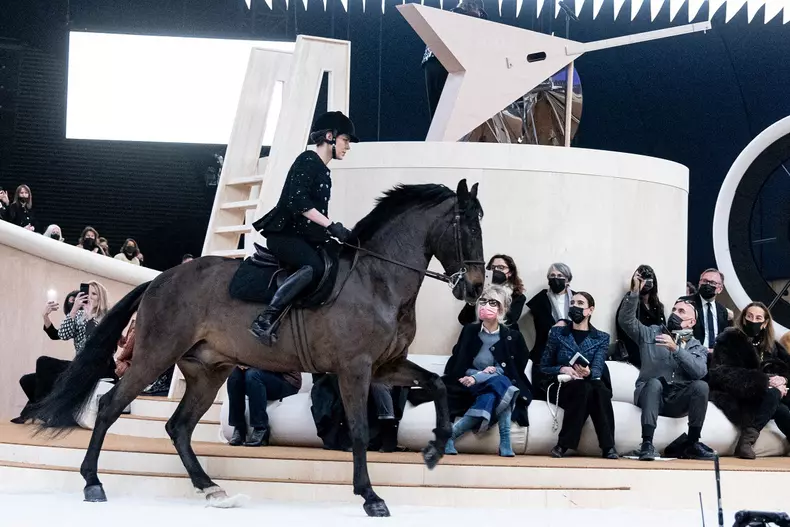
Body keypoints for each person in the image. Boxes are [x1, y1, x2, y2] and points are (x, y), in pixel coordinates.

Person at [250, 111, 358, 346]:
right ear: (330, 136)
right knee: (313, 266)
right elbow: (298, 202)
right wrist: (331, 225)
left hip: (306, 237)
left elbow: (313, 217)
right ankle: (266, 318)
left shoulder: (324, 171)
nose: (348, 147)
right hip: (284, 236)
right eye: (345, 140)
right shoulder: (308, 160)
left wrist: (338, 234)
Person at [618, 271, 714, 461]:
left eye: (681, 312)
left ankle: (692, 443)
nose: (674, 314)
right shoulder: (651, 333)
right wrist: (635, 293)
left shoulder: (696, 347)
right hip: (649, 394)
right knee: (654, 383)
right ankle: (646, 443)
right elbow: (625, 321)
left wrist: (676, 349)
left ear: (692, 322)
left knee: (701, 386)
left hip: (677, 400)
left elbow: (699, 371)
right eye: (674, 310)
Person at [443, 285, 532, 457]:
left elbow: (514, 369)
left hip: (492, 381)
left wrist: (481, 377)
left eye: (493, 302)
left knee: (498, 388)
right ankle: (505, 441)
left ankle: (449, 436)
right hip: (467, 381)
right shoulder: (470, 331)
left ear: (503, 309)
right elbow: (460, 365)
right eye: (483, 301)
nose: (486, 306)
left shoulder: (513, 336)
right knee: (504, 387)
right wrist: (475, 376)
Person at [541, 292, 617, 459]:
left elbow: (597, 367)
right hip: (561, 385)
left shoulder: (602, 338)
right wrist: (562, 369)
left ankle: (608, 446)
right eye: (573, 302)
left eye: (580, 303)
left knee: (599, 390)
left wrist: (589, 372)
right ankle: (566, 444)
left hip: (587, 384)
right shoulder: (557, 334)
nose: (575, 306)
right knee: (586, 388)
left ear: (590, 310)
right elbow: (544, 367)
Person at [709, 304, 790, 459]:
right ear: (744, 319)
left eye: (758, 318)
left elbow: (787, 367)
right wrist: (765, 381)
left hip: (768, 395)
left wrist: (783, 379)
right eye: (750, 316)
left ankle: (746, 441)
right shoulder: (728, 340)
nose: (753, 321)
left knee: (780, 408)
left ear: (765, 323)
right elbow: (721, 373)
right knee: (775, 397)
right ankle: (746, 441)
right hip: (738, 394)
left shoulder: (772, 345)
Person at [11, 291, 79, 424]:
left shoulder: (88, 318)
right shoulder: (74, 320)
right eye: (70, 300)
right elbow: (55, 335)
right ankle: (37, 409)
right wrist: (45, 316)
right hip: (78, 364)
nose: (72, 302)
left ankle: (41, 409)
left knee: (43, 362)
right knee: (26, 380)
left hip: (84, 365)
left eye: (75, 300)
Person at [422, 0, 488, 119]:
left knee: (437, 111)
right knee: (450, 111)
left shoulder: (449, 15)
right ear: (474, 8)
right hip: (446, 61)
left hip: (431, 61)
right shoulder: (464, 17)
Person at [526, 262, 574, 399]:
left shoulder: (577, 299)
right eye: (552, 275)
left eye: (560, 275)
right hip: (545, 348)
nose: (556, 278)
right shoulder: (540, 300)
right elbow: (541, 326)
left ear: (568, 280)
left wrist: (565, 323)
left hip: (572, 349)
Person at [227, 366, 302, 446]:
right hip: (259, 373)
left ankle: (261, 428)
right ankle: (239, 427)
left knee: (253, 374)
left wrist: (250, 363)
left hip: (286, 380)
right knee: (234, 375)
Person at [614, 265, 666, 367]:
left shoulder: (657, 306)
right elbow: (625, 321)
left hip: (656, 354)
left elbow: (662, 329)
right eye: (642, 279)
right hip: (635, 354)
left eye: (648, 280)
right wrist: (636, 290)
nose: (645, 283)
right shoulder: (630, 301)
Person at [457, 254, 526, 330]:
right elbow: (463, 320)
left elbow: (508, 321)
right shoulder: (480, 292)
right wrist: (473, 299)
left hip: (504, 337)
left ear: (510, 272)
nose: (496, 270)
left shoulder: (518, 297)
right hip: (477, 335)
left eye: (501, 267)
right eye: (492, 267)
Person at [687, 268, 731, 354]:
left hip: (716, 357)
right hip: (693, 355)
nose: (707, 284)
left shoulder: (722, 311)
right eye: (704, 281)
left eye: (712, 283)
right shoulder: (686, 303)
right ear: (699, 283)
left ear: (720, 289)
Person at [58, 281, 109, 355]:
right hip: (80, 361)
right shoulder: (79, 314)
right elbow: (63, 335)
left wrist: (89, 318)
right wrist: (74, 309)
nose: (89, 297)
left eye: (94, 294)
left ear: (101, 298)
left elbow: (96, 342)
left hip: (99, 361)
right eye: (87, 293)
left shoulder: (107, 318)